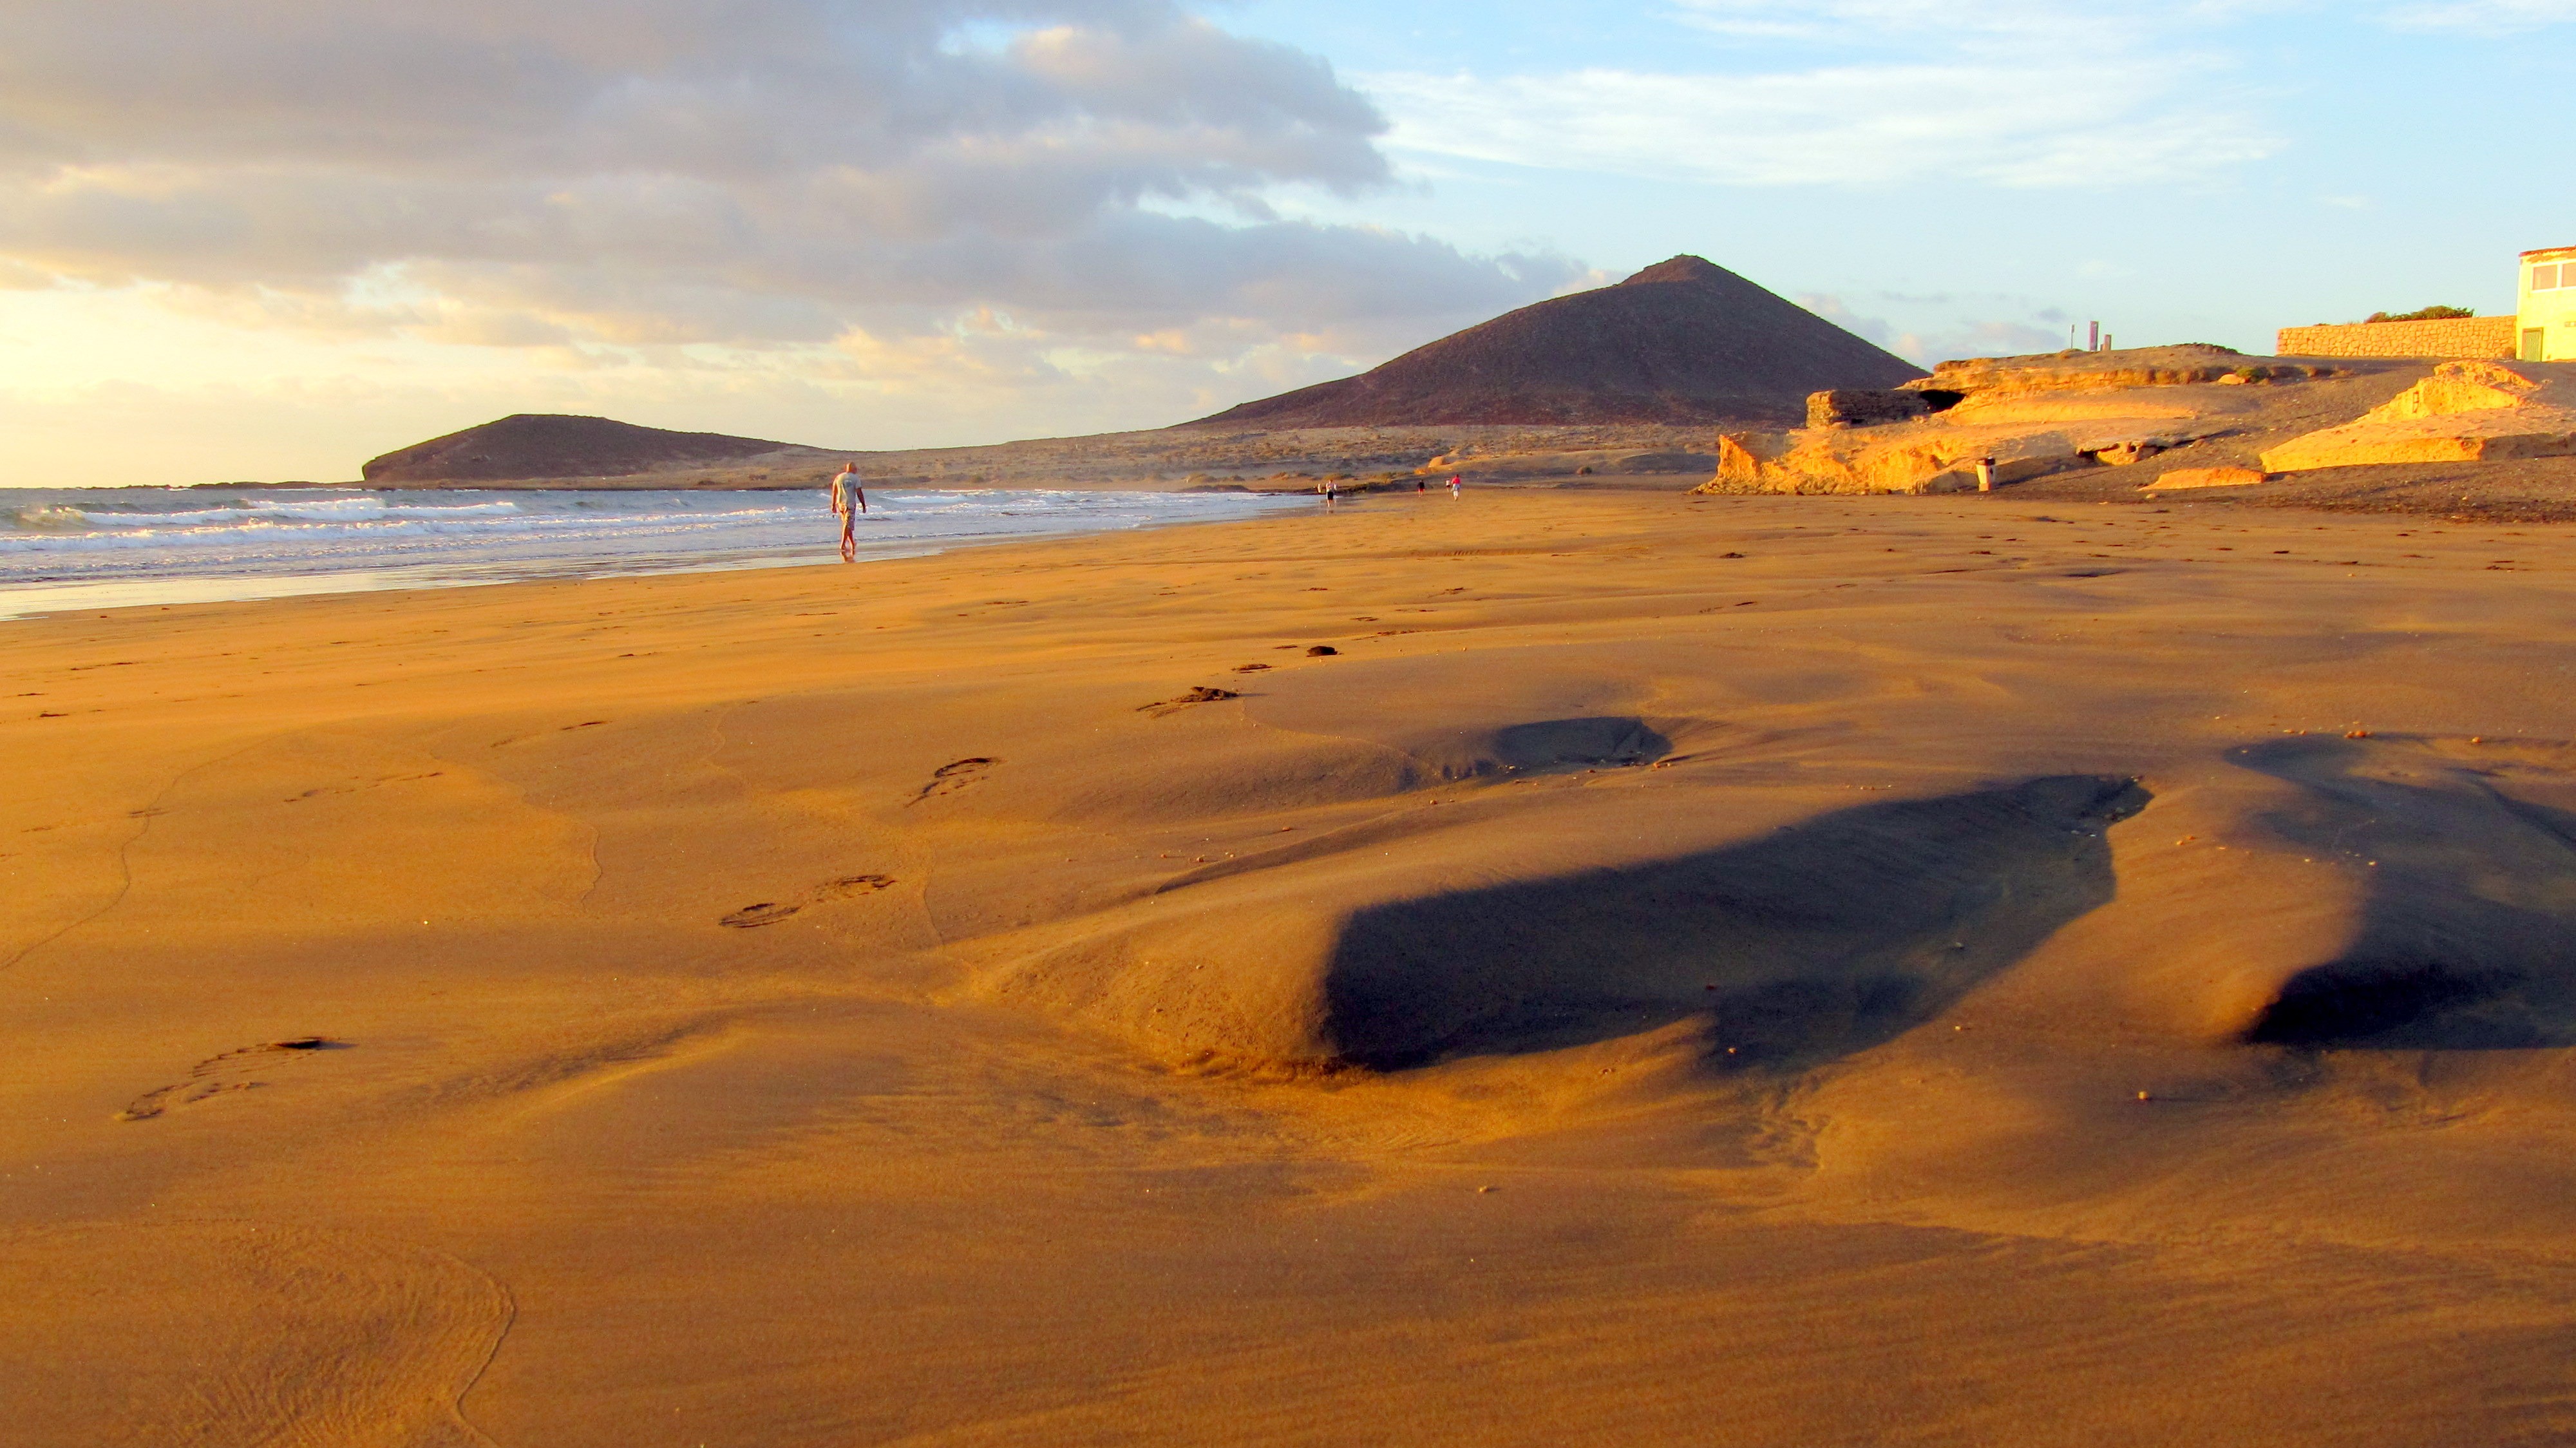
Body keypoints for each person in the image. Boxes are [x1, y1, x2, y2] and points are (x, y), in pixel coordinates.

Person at [830, 463, 867, 562]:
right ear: (853, 469)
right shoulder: (855, 478)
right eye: (856, 468)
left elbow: (835, 492)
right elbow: (859, 492)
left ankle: (852, 543)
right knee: (847, 524)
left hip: (840, 504)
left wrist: (833, 505)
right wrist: (863, 504)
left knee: (848, 524)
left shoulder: (839, 477)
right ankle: (842, 544)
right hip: (850, 504)